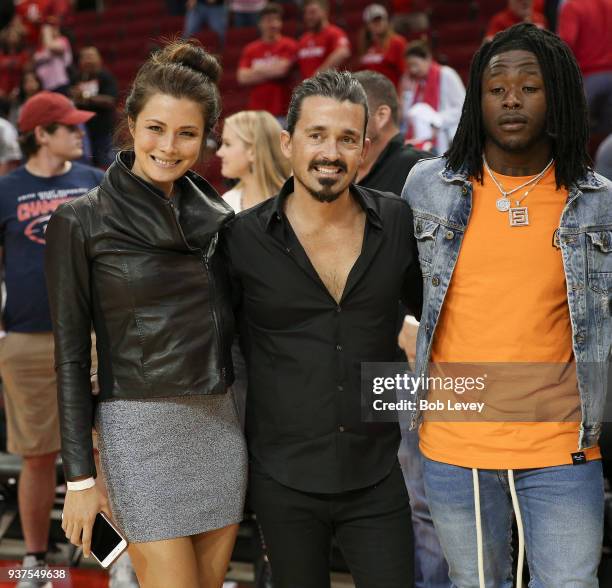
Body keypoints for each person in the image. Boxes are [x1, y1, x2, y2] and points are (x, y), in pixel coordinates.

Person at [399, 23, 610, 587]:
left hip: (562, 446)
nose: (511, 98)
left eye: (529, 86)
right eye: (497, 88)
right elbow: (392, 290)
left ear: (558, 96)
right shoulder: (428, 189)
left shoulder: (597, 204)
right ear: (478, 99)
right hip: (454, 443)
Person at [45, 40, 247, 588]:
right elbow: (67, 357)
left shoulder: (220, 221)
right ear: (131, 123)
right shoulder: (80, 221)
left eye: (187, 133)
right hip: (139, 432)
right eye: (156, 127)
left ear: (205, 137)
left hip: (220, 426)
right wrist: (82, 479)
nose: (169, 146)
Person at [223, 70, 422, 588]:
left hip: (378, 472)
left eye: (346, 139)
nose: (331, 152)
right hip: (282, 478)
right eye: (317, 135)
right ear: (288, 143)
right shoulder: (241, 239)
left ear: (364, 149)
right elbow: (217, 351)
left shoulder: (399, 223)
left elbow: (442, 322)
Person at [0, 90, 103, 587]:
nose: (80, 132)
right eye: (69, 127)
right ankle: (39, 564)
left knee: (104, 450)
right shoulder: (6, 189)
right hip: (25, 339)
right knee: (37, 455)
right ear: (41, 134)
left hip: (91, 337)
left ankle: (114, 558)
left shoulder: (96, 182)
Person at [353, 70, 449, 588]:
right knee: (390, 497)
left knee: (423, 500)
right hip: (371, 365)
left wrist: (413, 325)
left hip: (414, 366)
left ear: (382, 115)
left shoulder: (418, 173)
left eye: (354, 118)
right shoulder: (355, 179)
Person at [218, 109, 290, 214]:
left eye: (227, 144)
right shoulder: (227, 202)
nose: (219, 153)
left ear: (252, 151)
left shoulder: (294, 200)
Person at [399, 40, 465, 154]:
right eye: (409, 66)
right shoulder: (414, 82)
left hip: (446, 138)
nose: (412, 70)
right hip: (421, 142)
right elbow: (407, 116)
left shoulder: (447, 74)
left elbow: (463, 107)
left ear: (428, 59)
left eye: (415, 64)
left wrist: (436, 121)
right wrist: (406, 92)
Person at [558, 0, 612, 137]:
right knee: (605, 138)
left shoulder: (573, 6)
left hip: (587, 81)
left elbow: (566, 44)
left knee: (574, 133)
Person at [237, 2, 298, 122]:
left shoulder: (290, 45)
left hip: (283, 112)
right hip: (257, 114)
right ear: (260, 23)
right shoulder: (250, 49)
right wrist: (272, 69)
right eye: (268, 20)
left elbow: (281, 71)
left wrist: (256, 70)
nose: (273, 24)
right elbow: (242, 77)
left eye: (276, 20)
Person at [72, 46, 119, 167]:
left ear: (99, 59)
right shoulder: (76, 78)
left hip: (104, 131)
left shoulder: (105, 77)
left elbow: (110, 100)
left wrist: (85, 96)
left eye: (91, 56)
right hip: (83, 132)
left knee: (108, 166)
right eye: (84, 57)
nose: (88, 60)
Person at [296, 0, 350, 80]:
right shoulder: (303, 39)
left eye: (312, 12)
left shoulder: (335, 33)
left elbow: (343, 52)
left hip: (329, 89)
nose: (308, 16)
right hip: (308, 90)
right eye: (306, 13)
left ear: (325, 12)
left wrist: (315, 78)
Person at [357, 4, 407, 89]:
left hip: (391, 94)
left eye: (380, 20)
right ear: (367, 25)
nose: (378, 23)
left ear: (386, 21)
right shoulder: (366, 46)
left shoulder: (397, 42)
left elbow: (405, 73)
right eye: (374, 21)